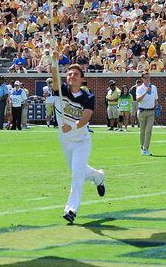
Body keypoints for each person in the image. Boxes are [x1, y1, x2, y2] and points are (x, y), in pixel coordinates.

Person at [51, 63, 105, 224]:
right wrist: (54, 61)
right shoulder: (61, 92)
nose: (71, 76)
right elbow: (54, 79)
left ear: (82, 79)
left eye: (75, 74)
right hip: (65, 141)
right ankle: (99, 176)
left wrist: (72, 126)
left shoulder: (88, 97)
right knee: (81, 171)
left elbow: (86, 117)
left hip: (81, 141)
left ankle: (71, 209)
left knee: (76, 174)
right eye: (69, 74)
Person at [135, 72, 157, 156]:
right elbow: (138, 100)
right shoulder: (139, 88)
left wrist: (156, 106)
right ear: (142, 79)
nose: (148, 79)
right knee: (142, 131)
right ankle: (142, 146)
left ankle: (145, 149)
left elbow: (155, 99)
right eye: (146, 77)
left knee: (149, 131)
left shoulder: (154, 87)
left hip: (151, 112)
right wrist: (145, 92)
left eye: (149, 77)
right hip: (142, 112)